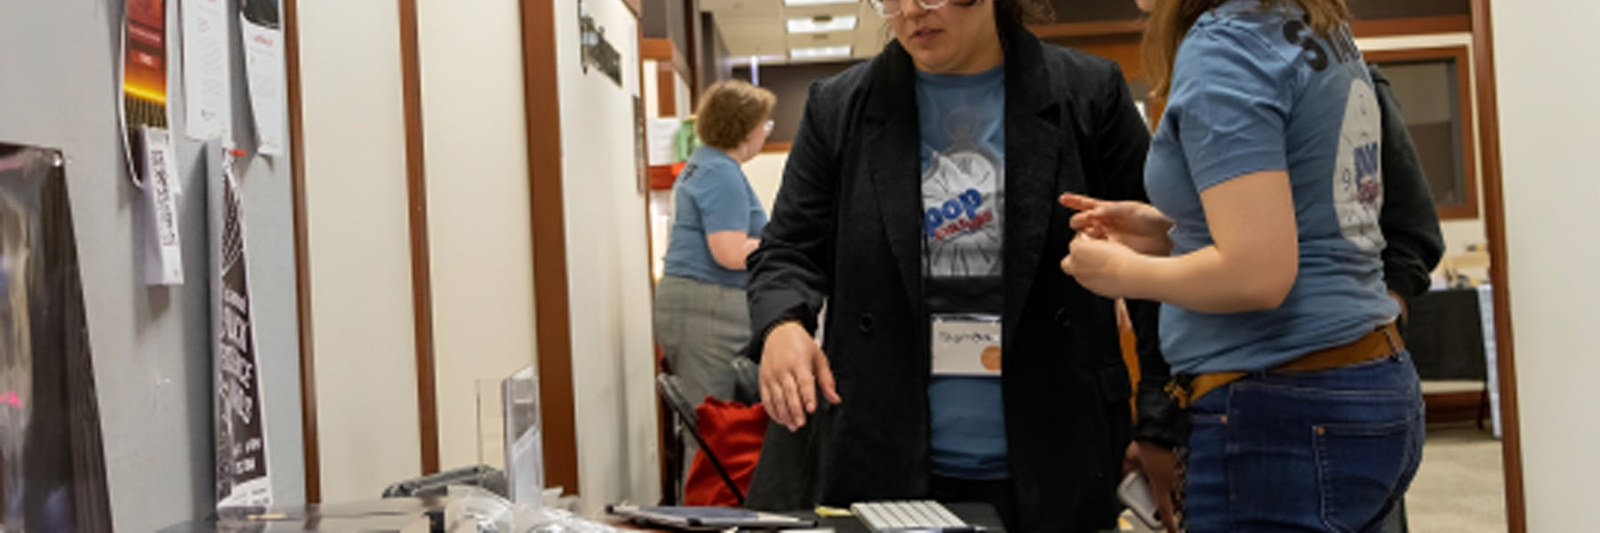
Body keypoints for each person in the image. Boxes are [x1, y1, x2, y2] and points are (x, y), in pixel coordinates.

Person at [742, 0, 1162, 529]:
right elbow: (786, 250)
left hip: (1059, 437)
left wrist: (1158, 423)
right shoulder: (839, 106)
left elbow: (1157, 263)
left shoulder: (1088, 91)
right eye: (890, 0)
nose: (911, 12)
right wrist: (783, 324)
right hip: (887, 445)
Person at [1061, 0, 1428, 531]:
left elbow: (1257, 275)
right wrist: (1171, 233)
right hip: (1363, 382)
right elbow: (1300, 222)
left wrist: (1120, 274)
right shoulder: (1301, 21)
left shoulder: (1226, 46)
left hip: (1281, 412)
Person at [653, 79, 775, 441]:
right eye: (764, 125)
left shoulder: (702, 164)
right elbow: (730, 252)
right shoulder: (721, 172)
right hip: (708, 308)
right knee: (710, 429)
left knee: (706, 424)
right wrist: (780, 244)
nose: (766, 133)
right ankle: (706, 500)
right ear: (744, 128)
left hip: (695, 303)